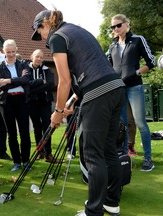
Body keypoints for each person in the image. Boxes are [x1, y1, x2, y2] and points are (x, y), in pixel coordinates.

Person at [31, 9, 125, 216]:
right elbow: (88, 70)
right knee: (108, 149)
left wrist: (57, 111)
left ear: (45, 24)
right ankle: (111, 202)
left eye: (40, 33)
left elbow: (63, 80)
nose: (42, 38)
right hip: (116, 88)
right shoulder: (76, 30)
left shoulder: (57, 36)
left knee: (92, 154)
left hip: (99, 93)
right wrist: (72, 101)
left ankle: (93, 211)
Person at [107, 14, 156, 171]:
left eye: (118, 25)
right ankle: (124, 159)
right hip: (118, 88)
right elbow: (107, 67)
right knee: (122, 125)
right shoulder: (112, 46)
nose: (115, 29)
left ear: (127, 24)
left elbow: (151, 62)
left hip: (135, 87)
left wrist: (136, 73)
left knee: (140, 123)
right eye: (113, 27)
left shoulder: (137, 40)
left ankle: (148, 159)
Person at [0, 39, 32, 172]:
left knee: (25, 133)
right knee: (11, 133)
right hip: (7, 102)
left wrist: (8, 81)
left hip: (22, 100)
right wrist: (17, 80)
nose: (11, 54)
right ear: (3, 51)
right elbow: (0, 83)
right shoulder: (0, 66)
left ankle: (26, 161)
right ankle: (17, 162)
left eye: (13, 51)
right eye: (8, 52)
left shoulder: (23, 64)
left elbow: (26, 80)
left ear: (16, 50)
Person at [27, 49, 56, 162]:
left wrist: (33, 87)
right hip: (32, 102)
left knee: (47, 127)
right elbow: (26, 85)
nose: (39, 59)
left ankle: (48, 153)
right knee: (37, 127)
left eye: (41, 57)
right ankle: (40, 151)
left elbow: (50, 85)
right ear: (32, 57)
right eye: (37, 56)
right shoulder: (26, 69)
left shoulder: (47, 70)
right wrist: (40, 81)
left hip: (45, 102)